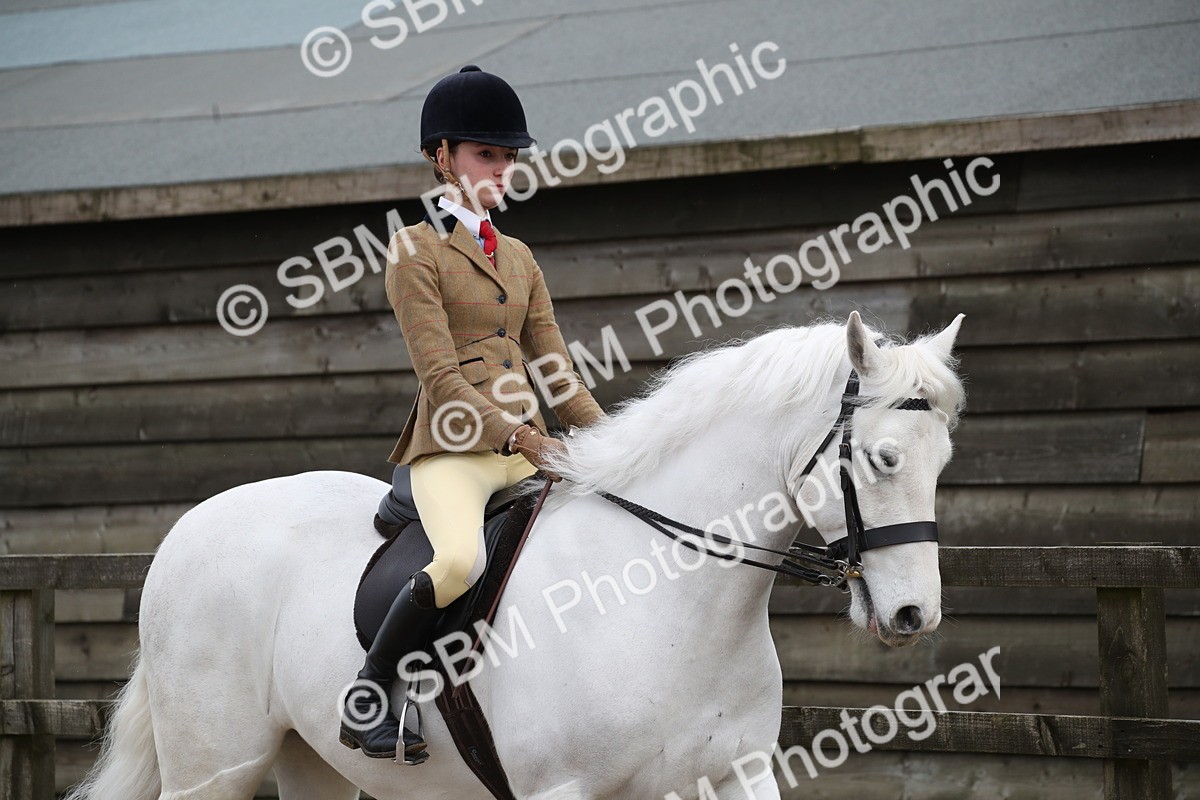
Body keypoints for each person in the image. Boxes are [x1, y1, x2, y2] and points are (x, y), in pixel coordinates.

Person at [339, 65, 606, 762]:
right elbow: (440, 376)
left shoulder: (518, 257)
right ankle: (369, 692)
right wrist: (519, 432)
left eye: (510, 157)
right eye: (487, 154)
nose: (502, 169)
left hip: (524, 449)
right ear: (442, 157)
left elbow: (555, 369)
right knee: (458, 560)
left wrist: (613, 440)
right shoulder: (414, 249)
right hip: (453, 448)